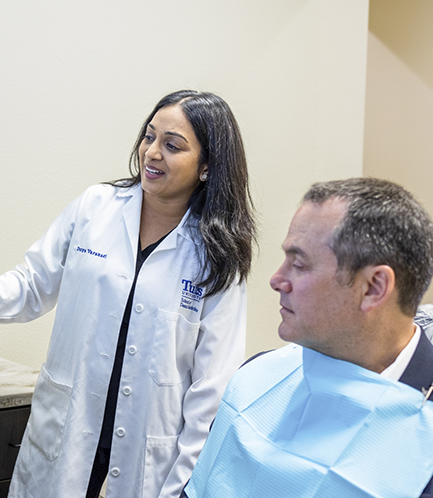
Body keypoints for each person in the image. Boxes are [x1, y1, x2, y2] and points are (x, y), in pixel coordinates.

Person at [0, 90, 257, 498]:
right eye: (149, 137)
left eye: (172, 145)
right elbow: (30, 285)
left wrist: (183, 485)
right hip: (66, 430)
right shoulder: (97, 207)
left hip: (149, 453)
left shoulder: (217, 255)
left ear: (207, 166)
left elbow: (211, 387)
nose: (152, 153)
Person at [183, 177, 433, 498]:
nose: (276, 279)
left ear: (373, 288)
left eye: (298, 264)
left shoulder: (422, 434)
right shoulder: (258, 378)